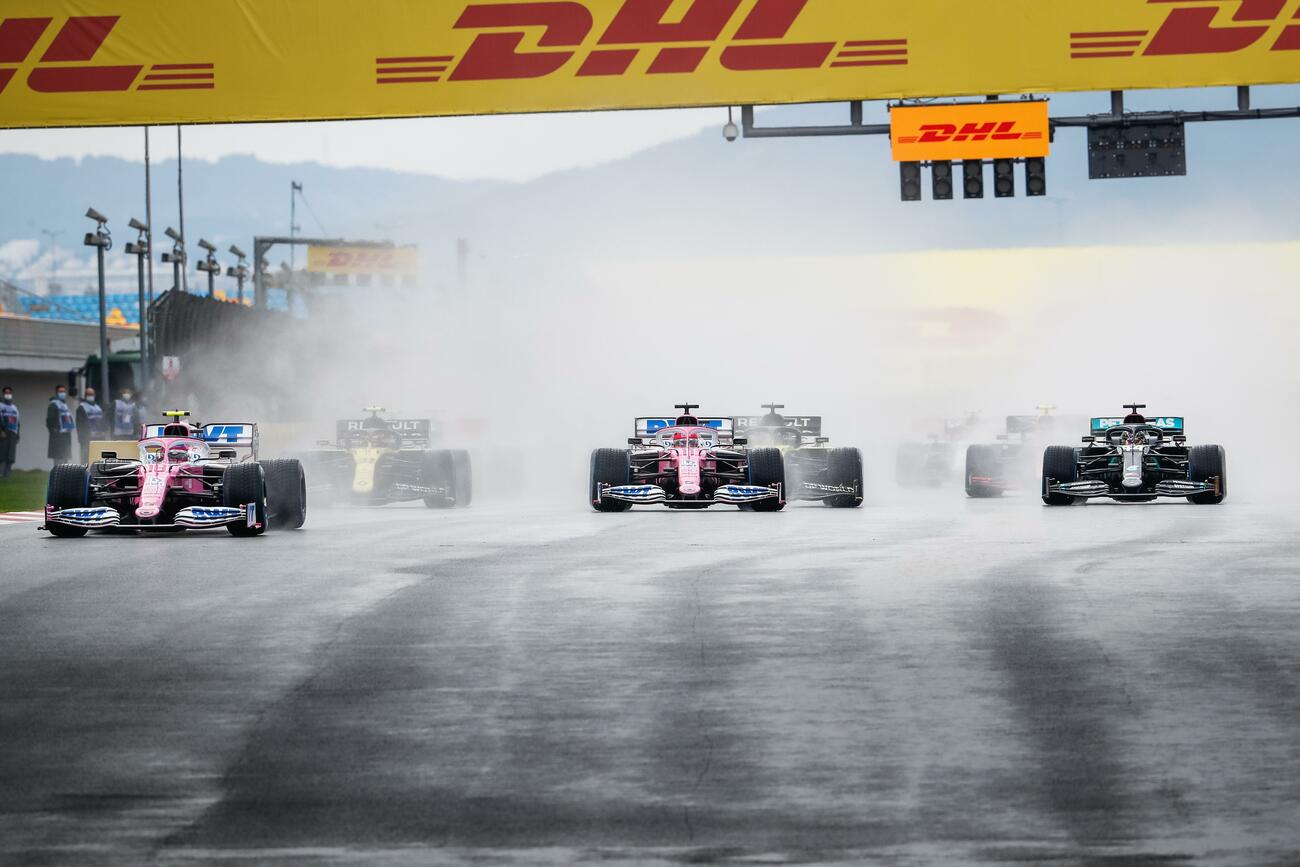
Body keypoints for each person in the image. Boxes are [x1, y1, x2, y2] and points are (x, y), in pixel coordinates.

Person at [75, 386, 108, 463]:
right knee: (86, 459)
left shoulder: (98, 407)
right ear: (85, 395)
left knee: (98, 458)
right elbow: (79, 425)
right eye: (89, 394)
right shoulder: (82, 407)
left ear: (94, 395)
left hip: (99, 438)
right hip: (87, 439)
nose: (91, 396)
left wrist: (104, 432)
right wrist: (82, 438)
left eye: (92, 394)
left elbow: (102, 421)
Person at [46, 385, 74, 466]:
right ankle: (57, 471)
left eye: (64, 391)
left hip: (66, 434)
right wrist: (54, 430)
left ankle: (65, 471)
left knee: (65, 456)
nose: (63, 393)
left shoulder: (65, 405)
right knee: (58, 456)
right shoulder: (53, 404)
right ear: (57, 393)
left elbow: (68, 417)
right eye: (60, 391)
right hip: (58, 435)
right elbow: (49, 420)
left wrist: (71, 426)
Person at [0, 386, 19, 477]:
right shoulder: (0, 406)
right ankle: (1, 472)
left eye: (9, 393)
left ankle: (7, 474)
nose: (8, 394)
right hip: (4, 432)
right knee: (2, 453)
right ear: (3, 394)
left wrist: (17, 434)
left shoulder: (14, 408)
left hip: (13, 433)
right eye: (6, 393)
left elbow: (18, 422)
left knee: (11, 454)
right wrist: (1, 431)